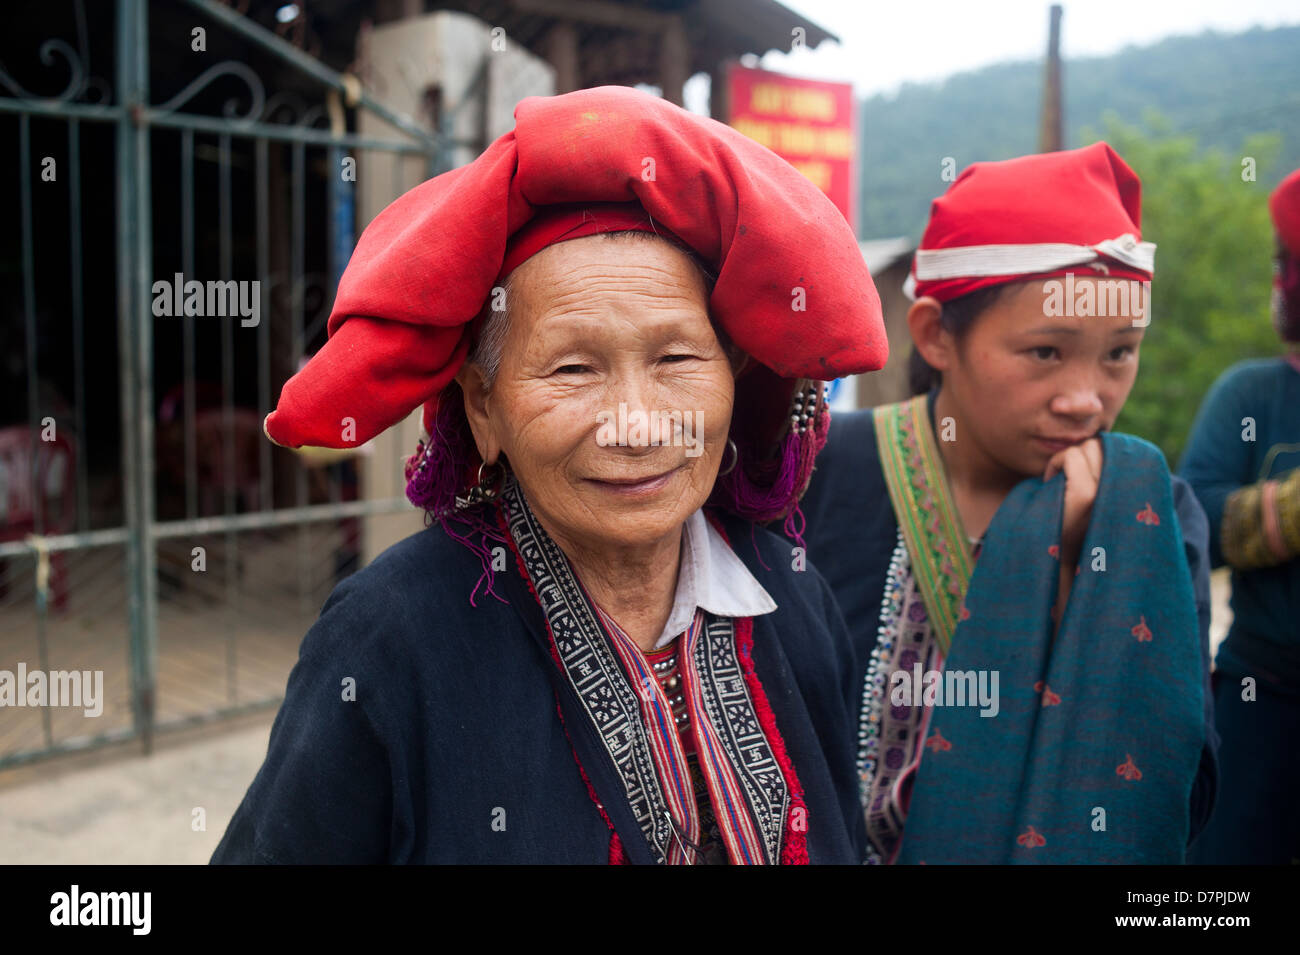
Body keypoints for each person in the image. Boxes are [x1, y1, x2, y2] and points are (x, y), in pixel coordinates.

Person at [210, 85, 889, 865]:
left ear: (733, 375)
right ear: (484, 410)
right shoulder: (389, 639)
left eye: (676, 358)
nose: (637, 422)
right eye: (572, 367)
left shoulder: (790, 592)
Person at [800, 142, 1217, 864]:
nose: (1086, 398)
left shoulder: (1153, 513)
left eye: (1120, 352)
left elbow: (1184, 784)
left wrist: (1083, 579)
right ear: (935, 335)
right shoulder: (819, 472)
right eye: (1046, 353)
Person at [1180, 168, 1300, 865]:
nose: (1278, 280)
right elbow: (1200, 527)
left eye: (1287, 264)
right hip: (1262, 699)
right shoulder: (1250, 395)